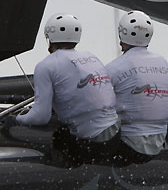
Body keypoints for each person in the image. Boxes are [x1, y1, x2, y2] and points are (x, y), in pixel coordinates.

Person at [2, 13, 120, 167]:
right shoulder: (91, 57)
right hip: (115, 135)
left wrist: (14, 120)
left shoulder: (46, 65)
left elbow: (40, 117)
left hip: (92, 143)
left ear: (49, 38)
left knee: (55, 138)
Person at [105, 10, 168, 166]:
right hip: (159, 143)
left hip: (128, 147)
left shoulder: (114, 68)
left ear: (121, 34)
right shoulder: (164, 63)